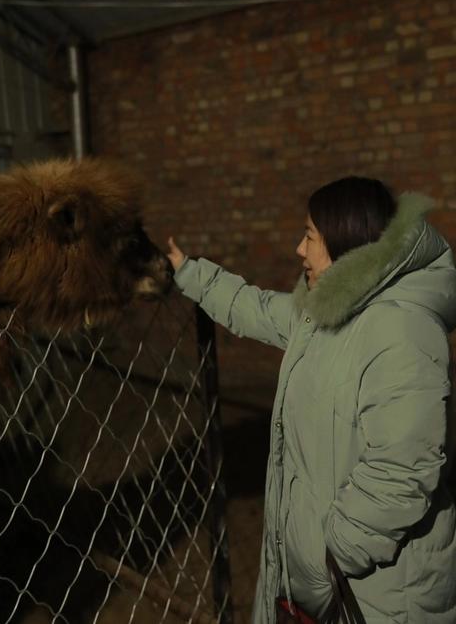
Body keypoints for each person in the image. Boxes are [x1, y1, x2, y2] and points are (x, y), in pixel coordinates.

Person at [167, 176, 456, 624]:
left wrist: (330, 558)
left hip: (376, 596)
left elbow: (402, 472)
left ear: (345, 242)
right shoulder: (325, 313)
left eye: (310, 236)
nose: (300, 249)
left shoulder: (401, 332)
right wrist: (190, 271)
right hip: (326, 581)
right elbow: (257, 308)